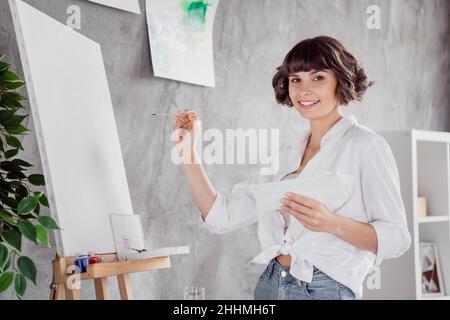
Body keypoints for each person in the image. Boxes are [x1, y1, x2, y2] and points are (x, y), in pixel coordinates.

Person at [172, 36, 411, 300]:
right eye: (295, 79)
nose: (303, 90)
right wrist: (188, 151)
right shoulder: (285, 155)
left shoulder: (366, 146)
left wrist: (332, 223)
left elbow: (397, 237)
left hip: (325, 289)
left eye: (317, 77)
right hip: (271, 284)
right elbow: (222, 216)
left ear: (340, 81)